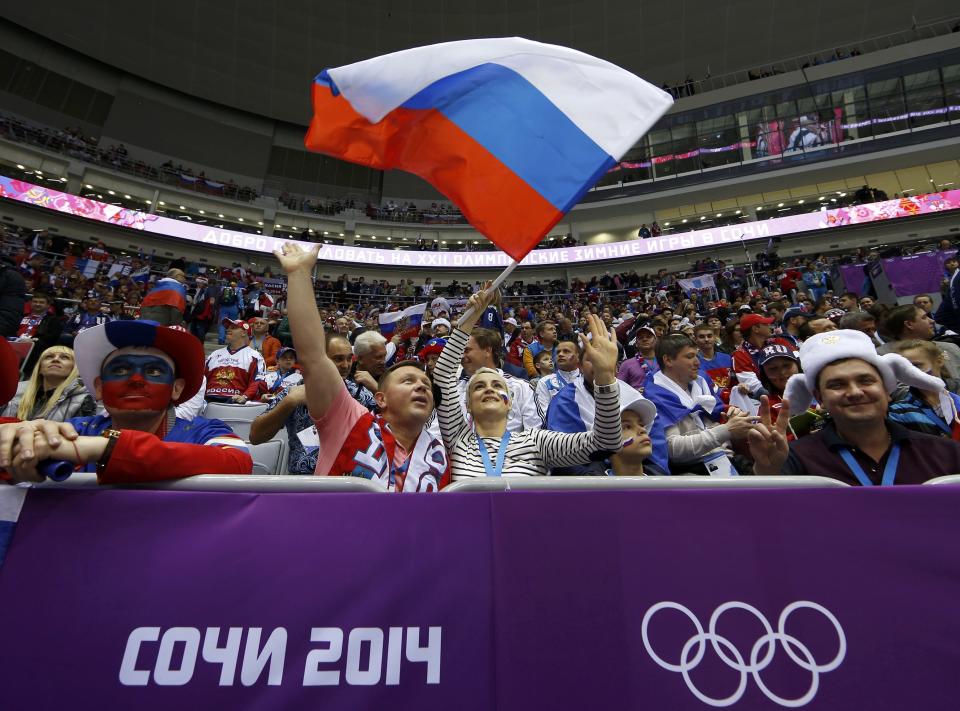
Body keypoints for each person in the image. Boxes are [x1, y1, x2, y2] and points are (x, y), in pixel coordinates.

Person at [276, 242, 448, 491]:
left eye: (426, 385)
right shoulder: (349, 421)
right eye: (408, 381)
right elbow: (313, 357)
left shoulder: (441, 453)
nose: (422, 386)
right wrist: (299, 274)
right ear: (380, 399)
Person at [0, 321, 252, 483]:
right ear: (98, 388)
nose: (136, 380)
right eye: (120, 370)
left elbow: (238, 463)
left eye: (154, 371)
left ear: (176, 388)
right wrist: (13, 441)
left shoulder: (206, 431)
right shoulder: (75, 430)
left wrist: (106, 448)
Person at [434, 289, 622, 480]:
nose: (489, 388)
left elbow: (605, 442)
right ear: (468, 406)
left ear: (509, 404)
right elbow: (442, 375)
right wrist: (471, 317)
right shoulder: (457, 439)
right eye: (479, 387)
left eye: (498, 386)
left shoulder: (536, 441)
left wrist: (606, 377)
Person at [749, 330, 960, 484]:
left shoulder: (946, 453)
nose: (855, 392)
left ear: (887, 389)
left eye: (866, 380)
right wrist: (769, 469)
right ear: (818, 397)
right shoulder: (797, 458)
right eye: (837, 385)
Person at [643, 334, 757, 476]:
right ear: (668, 360)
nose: (698, 362)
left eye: (697, 356)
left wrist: (733, 421)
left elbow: (720, 425)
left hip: (728, 460)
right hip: (694, 473)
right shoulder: (655, 396)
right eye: (690, 357)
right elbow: (672, 450)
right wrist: (726, 430)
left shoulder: (702, 382)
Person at [459, 327, 543, 431]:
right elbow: (438, 433)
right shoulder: (454, 391)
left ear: (487, 350)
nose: (461, 356)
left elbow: (535, 432)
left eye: (466, 350)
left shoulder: (521, 388)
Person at [887, 340, 960, 437]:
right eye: (905, 368)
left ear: (939, 361)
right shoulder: (899, 412)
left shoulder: (958, 391)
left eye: (917, 366)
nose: (911, 373)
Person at [3, 346, 95, 421]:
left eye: (64, 357)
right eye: (49, 357)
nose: (55, 359)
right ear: (40, 368)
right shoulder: (14, 390)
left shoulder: (83, 399)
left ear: (73, 368)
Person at [878, 304, 960, 378]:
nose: (932, 321)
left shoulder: (950, 347)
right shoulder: (884, 356)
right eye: (924, 317)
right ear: (909, 325)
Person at [732, 314, 795, 397]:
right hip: (768, 398)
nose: (770, 326)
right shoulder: (740, 354)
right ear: (755, 329)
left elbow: (799, 360)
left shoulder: (779, 341)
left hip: (796, 387)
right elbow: (753, 384)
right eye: (766, 324)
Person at [204, 318, 265, 403]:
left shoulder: (255, 356)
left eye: (233, 327)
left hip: (234, 403)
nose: (228, 329)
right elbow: (202, 378)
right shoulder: (214, 354)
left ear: (244, 332)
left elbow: (258, 381)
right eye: (228, 327)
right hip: (207, 400)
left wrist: (245, 396)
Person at [606, 392, 658, 476]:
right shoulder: (590, 488)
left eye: (641, 425)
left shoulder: (664, 487)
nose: (642, 430)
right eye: (627, 426)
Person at [15, 291, 62, 375]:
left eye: (41, 302)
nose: (37, 304)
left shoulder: (53, 320)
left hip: (35, 346)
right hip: (15, 343)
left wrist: (33, 340)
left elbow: (52, 337)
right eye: (35, 301)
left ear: (48, 305)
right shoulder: (21, 316)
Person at [535, 339, 581, 414]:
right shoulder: (545, 382)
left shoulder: (588, 380)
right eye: (558, 352)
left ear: (578, 357)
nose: (560, 354)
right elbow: (544, 414)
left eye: (566, 351)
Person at [617, 326, 659, 390]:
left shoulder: (664, 362)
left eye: (648, 337)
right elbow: (620, 388)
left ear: (656, 340)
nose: (644, 339)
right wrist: (635, 393)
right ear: (636, 342)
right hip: (638, 399)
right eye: (640, 337)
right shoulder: (626, 364)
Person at [694, 323, 732, 390]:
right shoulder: (693, 361)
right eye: (701, 337)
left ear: (714, 337)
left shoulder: (727, 358)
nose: (706, 339)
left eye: (709, 336)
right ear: (695, 339)